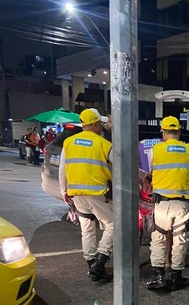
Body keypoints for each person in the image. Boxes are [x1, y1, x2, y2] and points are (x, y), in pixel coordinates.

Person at [59, 108, 113, 283]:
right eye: (101, 124)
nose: (102, 127)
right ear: (96, 124)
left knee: (87, 230)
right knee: (113, 225)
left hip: (77, 194)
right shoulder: (103, 143)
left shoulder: (69, 142)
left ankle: (92, 267)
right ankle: (100, 261)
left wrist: (63, 190)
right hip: (96, 193)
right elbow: (121, 166)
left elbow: (63, 168)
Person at [146, 116, 189, 291]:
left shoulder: (155, 150)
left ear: (162, 131)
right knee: (180, 240)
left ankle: (159, 277)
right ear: (179, 131)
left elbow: (151, 171)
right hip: (182, 204)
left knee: (158, 239)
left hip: (162, 204)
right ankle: (177, 277)